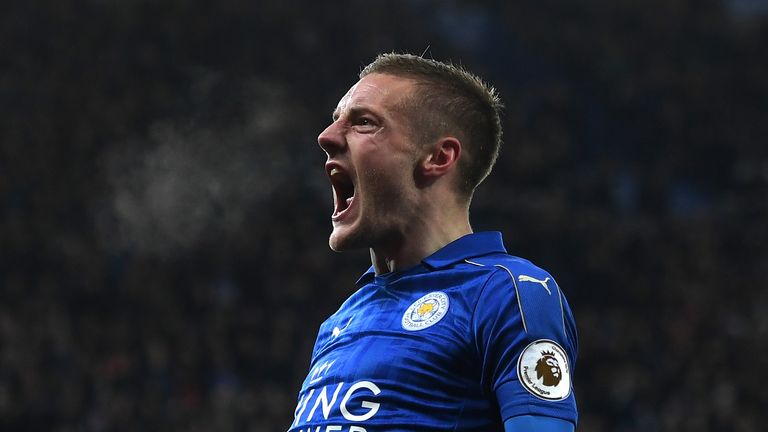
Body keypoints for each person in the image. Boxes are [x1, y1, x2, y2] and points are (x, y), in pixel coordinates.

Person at [288, 53, 578, 432]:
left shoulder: (507, 292)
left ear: (438, 157)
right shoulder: (342, 320)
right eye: (335, 120)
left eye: (363, 122)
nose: (325, 137)